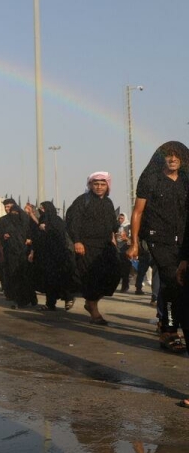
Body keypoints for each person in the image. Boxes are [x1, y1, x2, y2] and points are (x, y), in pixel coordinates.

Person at [128, 141, 189, 352]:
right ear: (161, 157)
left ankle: (165, 319)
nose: (172, 159)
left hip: (182, 241)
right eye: (168, 155)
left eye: (176, 155)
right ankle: (169, 332)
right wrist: (134, 242)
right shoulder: (150, 179)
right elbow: (137, 212)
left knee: (179, 283)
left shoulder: (186, 181)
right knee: (171, 280)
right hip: (158, 239)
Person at [66, 172, 120, 325]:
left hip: (104, 246)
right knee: (91, 278)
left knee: (114, 273)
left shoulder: (108, 203)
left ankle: (91, 302)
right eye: (96, 184)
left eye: (102, 184)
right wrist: (77, 241)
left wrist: (113, 240)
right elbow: (73, 222)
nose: (99, 187)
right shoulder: (83, 201)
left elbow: (112, 226)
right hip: (86, 246)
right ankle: (93, 310)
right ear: (90, 185)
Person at [30, 201, 76, 311]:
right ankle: (50, 303)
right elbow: (37, 238)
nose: (41, 210)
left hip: (58, 256)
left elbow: (60, 235)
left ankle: (68, 298)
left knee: (61, 278)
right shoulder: (42, 221)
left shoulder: (57, 221)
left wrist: (46, 228)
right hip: (45, 256)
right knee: (48, 280)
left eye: (43, 208)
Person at [0, 203, 37, 309]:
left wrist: (30, 242)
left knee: (24, 277)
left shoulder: (25, 222)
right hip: (11, 254)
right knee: (14, 278)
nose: (14, 215)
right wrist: (4, 235)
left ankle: (28, 299)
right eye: (12, 213)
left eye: (16, 213)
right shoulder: (7, 222)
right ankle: (19, 300)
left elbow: (33, 235)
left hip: (24, 254)